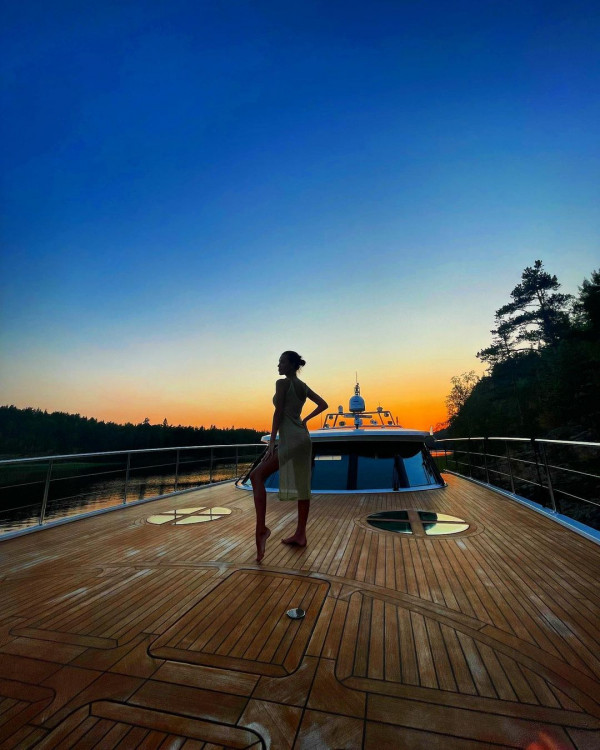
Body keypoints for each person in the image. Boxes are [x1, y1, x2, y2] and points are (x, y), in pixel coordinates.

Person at [250, 351, 328, 563]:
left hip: (291, 439)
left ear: (292, 365)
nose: (278, 365)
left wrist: (272, 442)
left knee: (256, 476)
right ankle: (300, 535)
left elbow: (278, 413)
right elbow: (323, 404)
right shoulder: (302, 386)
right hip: (303, 438)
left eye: (282, 362)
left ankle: (261, 529)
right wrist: (305, 420)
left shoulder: (282, 383)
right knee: (303, 486)